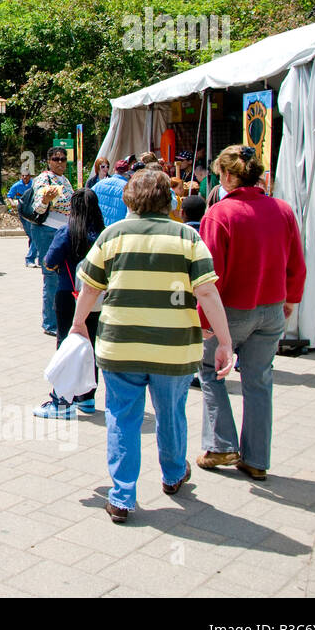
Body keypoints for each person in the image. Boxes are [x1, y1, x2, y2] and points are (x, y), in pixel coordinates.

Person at [71, 169, 237, 523]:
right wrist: (224, 340)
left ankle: (122, 496)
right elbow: (207, 291)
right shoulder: (186, 237)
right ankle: (174, 474)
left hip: (120, 347)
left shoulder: (112, 236)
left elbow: (90, 289)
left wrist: (78, 323)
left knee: (122, 419)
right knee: (171, 414)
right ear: (170, 200)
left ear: (130, 198)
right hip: (174, 348)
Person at [195, 145, 306, 482]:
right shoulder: (282, 209)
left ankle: (221, 444)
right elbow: (296, 263)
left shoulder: (220, 214)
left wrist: (204, 321)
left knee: (210, 370)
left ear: (228, 175)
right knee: (259, 381)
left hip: (231, 310)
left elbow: (210, 275)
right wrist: (291, 300)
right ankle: (257, 458)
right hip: (271, 308)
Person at [33, 189, 105, 418]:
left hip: (69, 293)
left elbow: (49, 261)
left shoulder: (67, 232)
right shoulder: (103, 235)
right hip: (97, 298)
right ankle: (88, 397)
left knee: (66, 342)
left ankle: (62, 399)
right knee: (91, 345)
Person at [29, 148, 74, 335]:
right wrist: (46, 201)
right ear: (48, 161)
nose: (60, 162)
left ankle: (61, 318)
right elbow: (38, 208)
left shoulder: (64, 180)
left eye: (63, 159)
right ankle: (50, 323)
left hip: (63, 231)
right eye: (56, 159)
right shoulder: (43, 179)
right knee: (51, 276)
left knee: (63, 275)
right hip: (47, 231)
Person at [6, 171, 38, 267]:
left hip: (33, 211)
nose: (25, 177)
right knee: (31, 234)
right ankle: (32, 255)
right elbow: (10, 196)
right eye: (23, 176)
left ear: (30, 176)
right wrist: (12, 203)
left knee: (34, 235)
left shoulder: (35, 184)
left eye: (27, 176)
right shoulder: (17, 185)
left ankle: (32, 258)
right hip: (23, 212)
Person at [92, 159, 131, 229]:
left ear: (114, 169)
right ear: (127, 171)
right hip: (118, 229)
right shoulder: (128, 188)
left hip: (99, 227)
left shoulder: (99, 184)